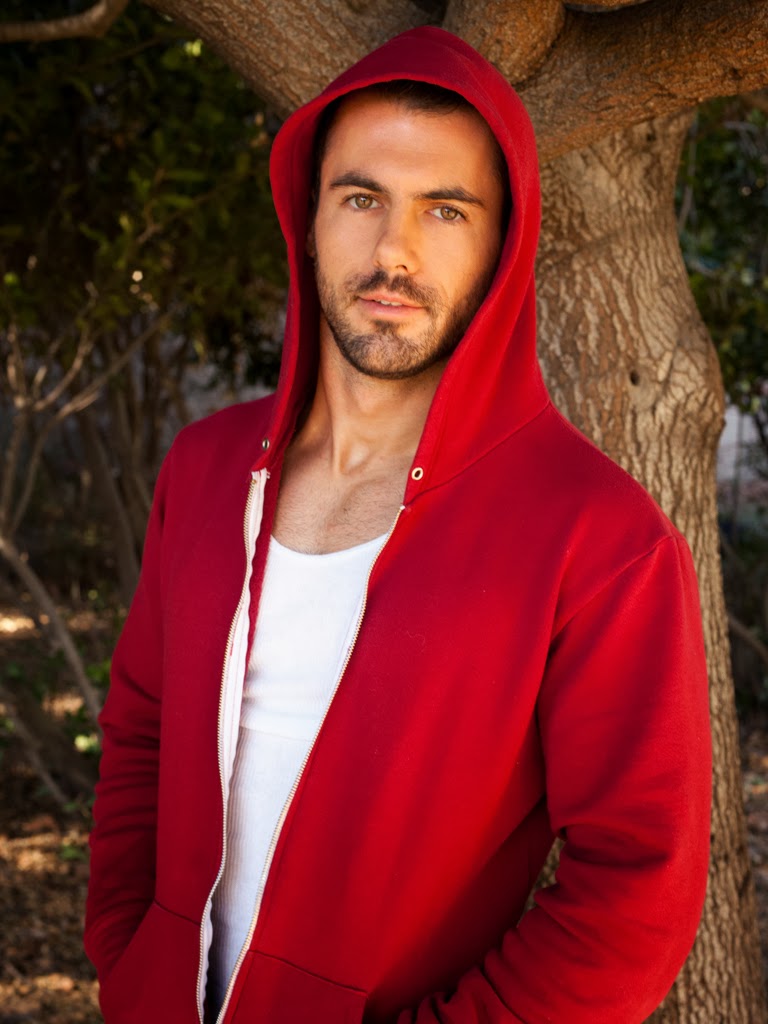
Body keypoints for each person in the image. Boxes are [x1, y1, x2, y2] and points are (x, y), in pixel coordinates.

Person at [84, 26, 712, 1024]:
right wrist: (128, 955)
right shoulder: (204, 471)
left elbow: (638, 883)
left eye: (445, 209)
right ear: (307, 220)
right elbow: (140, 729)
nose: (393, 252)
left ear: (502, 246)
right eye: (361, 198)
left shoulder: (600, 540)